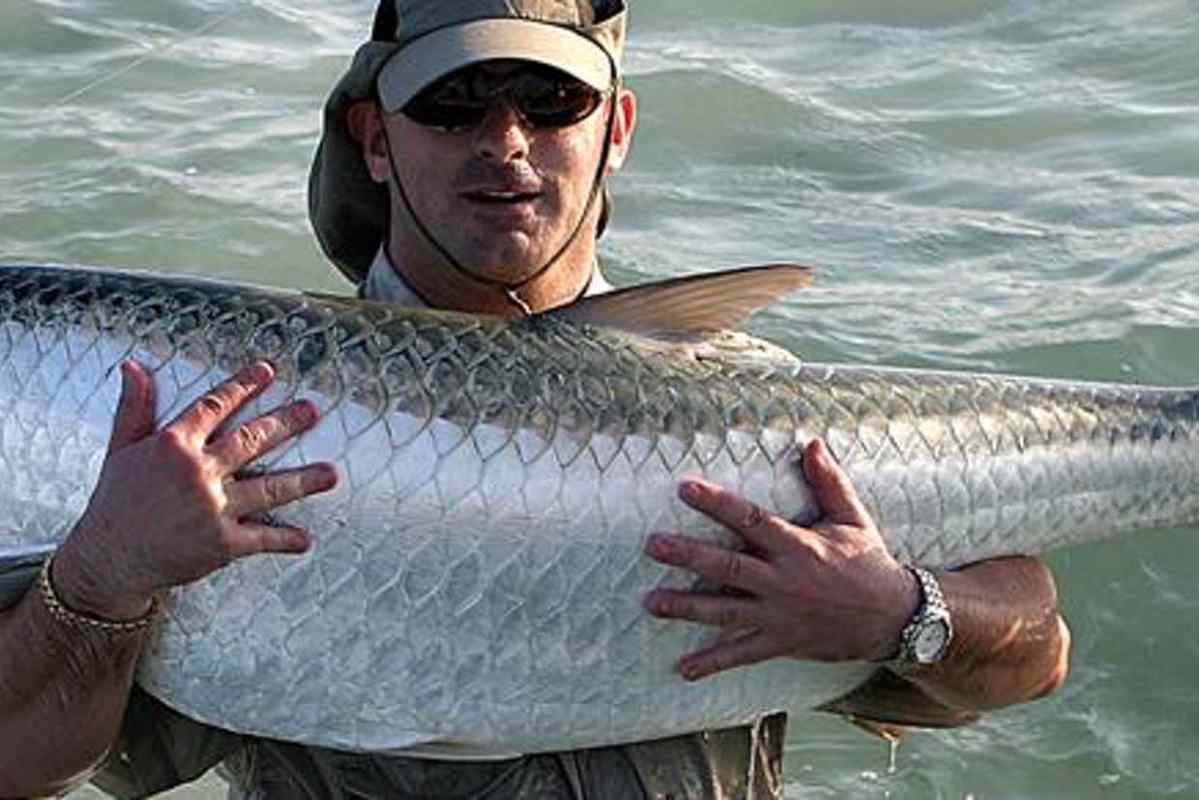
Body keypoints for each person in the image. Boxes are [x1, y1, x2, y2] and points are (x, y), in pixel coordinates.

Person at [0, 1, 1070, 798]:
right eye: (454, 102)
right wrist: (102, 572)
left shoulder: (761, 399)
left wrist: (900, 613)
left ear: (617, 126)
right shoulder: (197, 415)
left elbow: (1030, 651)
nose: (504, 140)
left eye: (550, 100)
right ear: (375, 137)